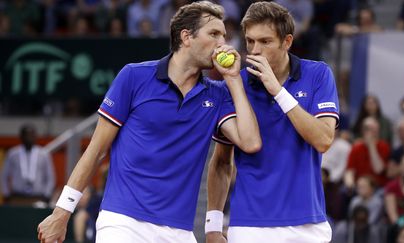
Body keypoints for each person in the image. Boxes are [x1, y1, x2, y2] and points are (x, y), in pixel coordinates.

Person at [37, 1, 261, 243]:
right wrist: (61, 212)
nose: (223, 44)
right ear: (186, 37)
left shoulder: (217, 95)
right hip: (123, 223)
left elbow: (249, 143)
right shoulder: (134, 76)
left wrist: (234, 80)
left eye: (224, 36)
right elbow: (96, 150)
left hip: (179, 232)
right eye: (214, 34)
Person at [206, 2, 339, 242]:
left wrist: (277, 91)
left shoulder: (318, 74)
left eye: (265, 42)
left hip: (308, 226)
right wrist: (213, 227)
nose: (255, 50)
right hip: (249, 226)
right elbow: (221, 162)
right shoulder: (235, 84)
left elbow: (323, 140)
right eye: (250, 41)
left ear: (287, 42)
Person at [1, 124, 55, 205]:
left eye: (32, 135)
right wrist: (6, 194)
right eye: (27, 135)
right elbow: (4, 175)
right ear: (21, 137)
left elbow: (50, 177)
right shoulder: (13, 153)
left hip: (38, 197)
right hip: (17, 197)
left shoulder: (43, 154)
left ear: (35, 136)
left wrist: (47, 194)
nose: (29, 138)